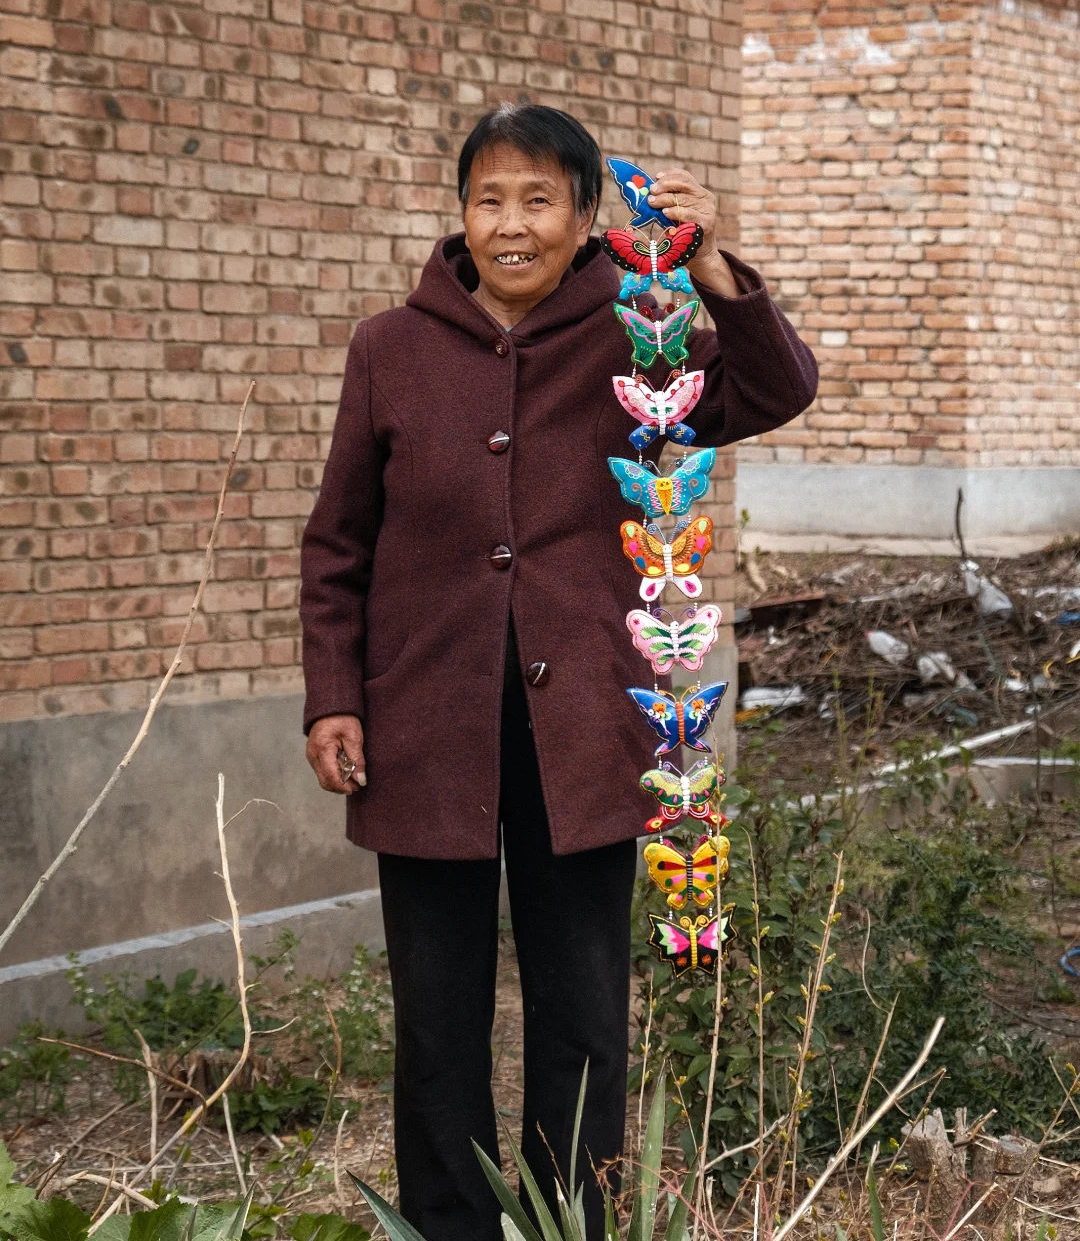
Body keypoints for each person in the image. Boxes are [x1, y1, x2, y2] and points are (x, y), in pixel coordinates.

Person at [299, 105, 817, 1241]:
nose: (511, 224)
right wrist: (334, 692)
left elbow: (776, 392)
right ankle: (449, 1226)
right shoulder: (391, 349)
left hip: (582, 727)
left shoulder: (644, 338)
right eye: (489, 199)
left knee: (579, 1008)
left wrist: (717, 267)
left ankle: (567, 1221)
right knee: (434, 1016)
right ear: (462, 216)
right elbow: (339, 541)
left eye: (539, 200)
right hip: (425, 726)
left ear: (589, 219)